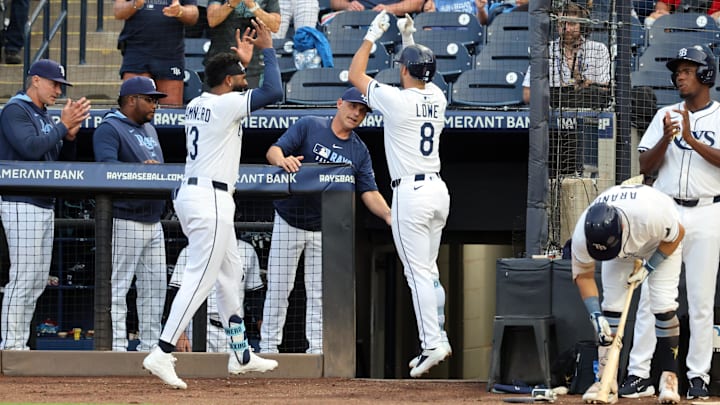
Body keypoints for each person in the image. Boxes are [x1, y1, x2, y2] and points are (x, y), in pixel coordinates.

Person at [142, 19, 283, 389]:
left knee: (229, 277)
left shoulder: (200, 103)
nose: (244, 79)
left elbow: (242, 87)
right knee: (201, 277)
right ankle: (161, 350)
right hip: (212, 198)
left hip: (197, 195)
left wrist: (243, 61)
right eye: (239, 76)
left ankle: (241, 354)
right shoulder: (224, 107)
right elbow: (274, 90)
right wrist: (268, 49)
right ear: (226, 82)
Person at [349, 11, 451, 378]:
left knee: (417, 273)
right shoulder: (438, 96)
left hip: (411, 193)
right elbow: (417, 75)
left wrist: (371, 35)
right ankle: (438, 332)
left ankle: (433, 343)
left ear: (405, 71)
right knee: (429, 270)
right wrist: (410, 40)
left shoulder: (396, 100)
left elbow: (355, 76)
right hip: (438, 191)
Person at [259, 87, 392, 354]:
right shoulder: (310, 125)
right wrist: (282, 161)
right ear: (339, 103)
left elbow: (368, 190)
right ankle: (268, 348)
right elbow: (273, 150)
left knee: (319, 293)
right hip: (289, 219)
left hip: (324, 228)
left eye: (362, 111)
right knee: (278, 288)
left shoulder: (359, 150)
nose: (356, 113)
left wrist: (390, 215)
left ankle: (317, 351)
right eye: (353, 106)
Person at [628, 44, 720, 401]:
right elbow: (644, 167)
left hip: (708, 211)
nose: (680, 75)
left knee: (699, 300)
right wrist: (668, 138)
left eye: (688, 69)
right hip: (665, 211)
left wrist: (692, 141)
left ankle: (697, 376)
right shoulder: (665, 114)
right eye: (678, 70)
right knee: (653, 297)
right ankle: (638, 373)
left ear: (706, 75)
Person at [0, 59, 91, 349]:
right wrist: (63, 125)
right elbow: (30, 149)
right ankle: (10, 345)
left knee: (38, 281)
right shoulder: (16, 109)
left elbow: (59, 165)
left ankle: (20, 343)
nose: (58, 91)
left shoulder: (45, 116)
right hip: (20, 201)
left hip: (44, 204)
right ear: (35, 80)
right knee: (23, 278)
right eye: (54, 84)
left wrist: (71, 136)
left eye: (61, 86)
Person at [570, 184, 684, 404]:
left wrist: (649, 268)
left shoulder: (652, 215)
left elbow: (676, 236)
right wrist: (595, 315)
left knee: (663, 303)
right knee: (611, 306)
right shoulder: (582, 235)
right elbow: (583, 275)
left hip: (656, 241)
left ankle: (669, 378)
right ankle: (606, 381)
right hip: (617, 251)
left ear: (621, 226)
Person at [92, 76, 169, 352]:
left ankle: (150, 348)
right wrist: (139, 170)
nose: (155, 105)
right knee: (118, 288)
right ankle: (116, 348)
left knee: (155, 288)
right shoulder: (109, 128)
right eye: (149, 99)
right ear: (131, 100)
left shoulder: (150, 129)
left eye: (156, 100)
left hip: (153, 220)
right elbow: (106, 171)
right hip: (124, 219)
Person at [170, 238, 265, 352]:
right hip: (200, 325)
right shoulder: (191, 250)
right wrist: (178, 333)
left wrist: (264, 331)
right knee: (196, 368)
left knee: (236, 368)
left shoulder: (247, 250)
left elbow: (255, 295)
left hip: (235, 327)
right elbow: (176, 293)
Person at [114, 0, 199, 107]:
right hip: (137, 50)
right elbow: (118, 12)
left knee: (171, 111)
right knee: (133, 109)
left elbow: (194, 15)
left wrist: (180, 11)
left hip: (170, 52)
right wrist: (135, 4)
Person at [206, 0, 280, 88]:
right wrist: (232, 2)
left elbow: (275, 25)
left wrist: (252, 6)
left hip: (253, 66)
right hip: (220, 64)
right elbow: (212, 20)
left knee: (248, 100)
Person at [329, 0, 422, 15]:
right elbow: (335, 2)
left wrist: (390, 9)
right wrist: (348, 5)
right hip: (357, 17)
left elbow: (417, 3)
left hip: (392, 18)